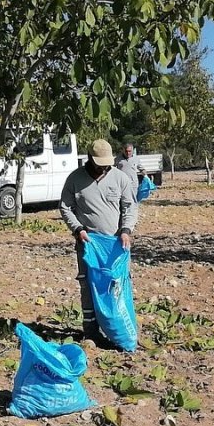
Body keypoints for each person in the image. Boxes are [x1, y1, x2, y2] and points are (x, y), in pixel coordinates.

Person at [59, 139, 138, 345]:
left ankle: (117, 327)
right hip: (88, 244)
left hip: (115, 244)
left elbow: (130, 207)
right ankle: (91, 331)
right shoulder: (75, 179)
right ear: (90, 159)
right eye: (99, 162)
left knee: (116, 285)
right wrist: (78, 229)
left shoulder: (120, 178)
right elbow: (65, 207)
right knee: (87, 285)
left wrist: (126, 231)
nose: (104, 166)